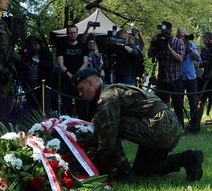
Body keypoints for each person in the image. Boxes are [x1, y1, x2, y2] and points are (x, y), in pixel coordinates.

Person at [72, 67, 203, 183]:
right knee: (144, 171)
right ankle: (188, 158)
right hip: (170, 127)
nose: (80, 94)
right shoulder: (115, 89)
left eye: (81, 89)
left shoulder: (107, 97)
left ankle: (125, 172)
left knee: (107, 125)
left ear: (90, 82)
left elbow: (108, 141)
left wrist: (95, 168)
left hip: (159, 128)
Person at [149, 21, 185, 127]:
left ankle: (179, 127)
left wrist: (169, 48)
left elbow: (181, 59)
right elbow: (150, 55)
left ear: (171, 31)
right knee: (160, 106)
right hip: (163, 79)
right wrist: (152, 44)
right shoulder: (159, 42)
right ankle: (162, 126)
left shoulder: (178, 42)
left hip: (176, 78)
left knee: (178, 105)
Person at [56, 24, 89, 117]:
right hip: (66, 79)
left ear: (77, 34)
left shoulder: (83, 47)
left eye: (74, 32)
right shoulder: (61, 46)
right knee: (66, 105)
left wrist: (77, 75)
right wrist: (70, 75)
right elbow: (60, 64)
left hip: (81, 79)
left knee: (82, 106)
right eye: (70, 33)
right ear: (67, 34)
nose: (72, 34)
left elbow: (85, 63)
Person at [177, 28, 201, 133]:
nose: (184, 37)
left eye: (185, 35)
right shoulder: (176, 45)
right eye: (182, 35)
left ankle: (194, 126)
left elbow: (198, 58)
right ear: (178, 36)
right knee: (179, 103)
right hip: (180, 78)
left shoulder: (191, 45)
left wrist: (190, 48)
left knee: (194, 103)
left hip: (191, 77)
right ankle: (180, 126)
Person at [21, 35, 54, 114]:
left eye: (35, 44)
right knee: (31, 108)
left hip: (43, 83)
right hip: (30, 84)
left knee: (44, 107)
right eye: (31, 45)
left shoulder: (45, 52)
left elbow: (49, 65)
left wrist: (37, 61)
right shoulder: (28, 53)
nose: (34, 47)